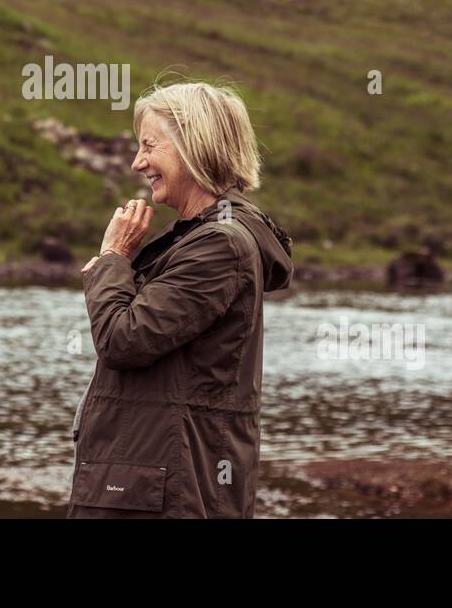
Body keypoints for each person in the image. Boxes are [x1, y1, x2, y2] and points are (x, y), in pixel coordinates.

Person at [66, 79, 293, 518]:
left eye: (150, 146)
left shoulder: (218, 247)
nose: (137, 163)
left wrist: (113, 259)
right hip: (151, 487)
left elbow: (122, 340)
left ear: (193, 145)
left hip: (164, 495)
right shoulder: (200, 239)